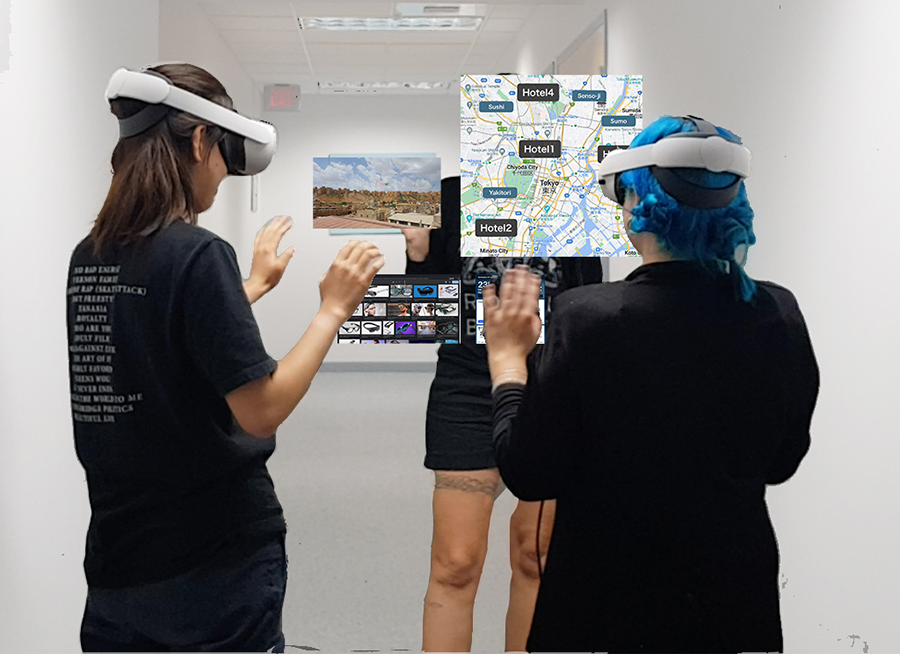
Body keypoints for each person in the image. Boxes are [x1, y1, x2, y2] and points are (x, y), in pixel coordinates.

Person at [67, 63, 384, 652]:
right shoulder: (197, 251)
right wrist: (333, 309)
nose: (221, 178)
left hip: (119, 561)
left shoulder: (92, 255)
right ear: (197, 141)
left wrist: (251, 289)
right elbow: (259, 408)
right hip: (211, 560)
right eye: (222, 157)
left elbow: (159, 343)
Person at [483, 115, 820, 653]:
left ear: (634, 204)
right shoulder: (776, 311)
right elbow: (780, 463)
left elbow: (529, 471)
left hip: (607, 601)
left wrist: (507, 363)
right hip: (733, 599)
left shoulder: (588, 317)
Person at [404, 176, 604, 651]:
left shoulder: (573, 196)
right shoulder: (447, 194)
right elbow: (421, 319)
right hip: (466, 383)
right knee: (455, 562)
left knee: (536, 554)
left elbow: (589, 299)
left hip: (551, 380)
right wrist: (417, 256)